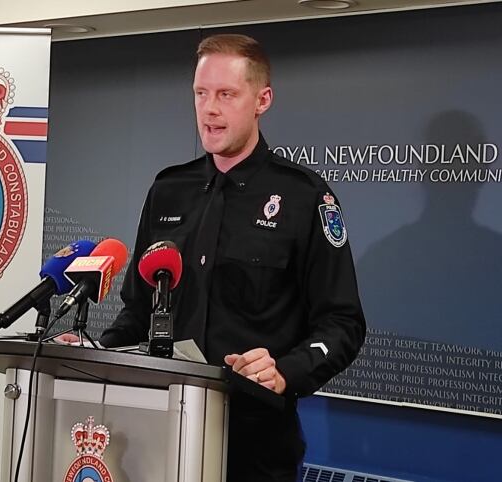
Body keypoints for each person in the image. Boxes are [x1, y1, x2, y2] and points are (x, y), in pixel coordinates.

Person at [98, 33, 366, 482]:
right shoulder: (168, 189)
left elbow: (343, 323)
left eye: (226, 94)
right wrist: (94, 351)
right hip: (156, 435)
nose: (210, 109)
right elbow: (137, 312)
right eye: (201, 94)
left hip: (255, 446)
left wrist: (284, 371)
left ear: (262, 99)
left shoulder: (304, 197)